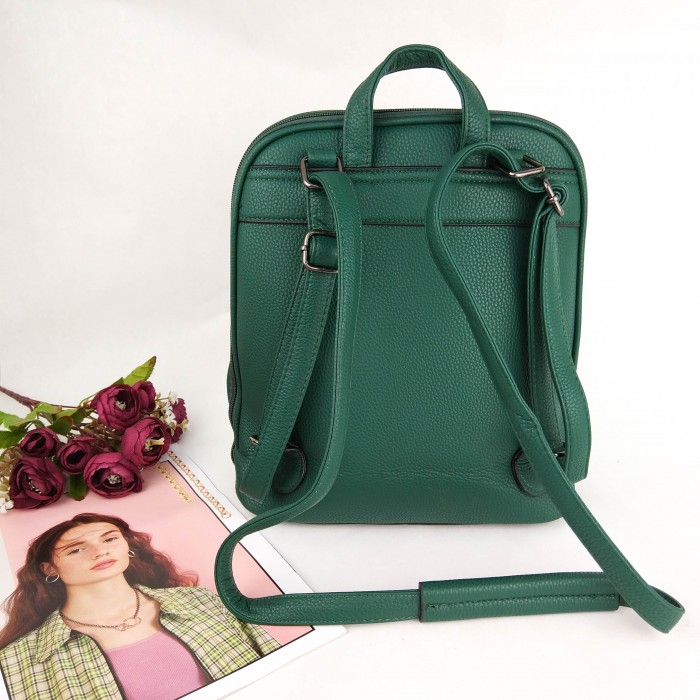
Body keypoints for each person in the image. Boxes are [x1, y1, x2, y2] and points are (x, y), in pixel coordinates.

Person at [0, 513, 280, 700]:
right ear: (50, 568)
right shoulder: (16, 660)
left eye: (110, 539)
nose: (100, 551)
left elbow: (280, 665)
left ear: (127, 547)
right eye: (76, 549)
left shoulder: (200, 601)